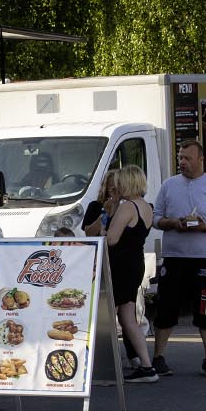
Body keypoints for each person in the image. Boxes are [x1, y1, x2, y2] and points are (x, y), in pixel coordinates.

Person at [150, 140, 206, 377]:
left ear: (200, 160)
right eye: (180, 158)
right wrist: (175, 223)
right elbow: (155, 218)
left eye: (187, 158)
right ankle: (158, 357)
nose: (182, 162)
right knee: (166, 308)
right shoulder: (169, 185)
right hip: (174, 258)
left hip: (205, 259)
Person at [83, 163, 156, 382]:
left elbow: (112, 239)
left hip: (120, 266)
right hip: (135, 263)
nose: (117, 186)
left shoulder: (127, 207)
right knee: (127, 317)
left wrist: (104, 230)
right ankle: (146, 366)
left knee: (105, 314)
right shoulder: (146, 207)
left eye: (121, 181)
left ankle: (98, 364)